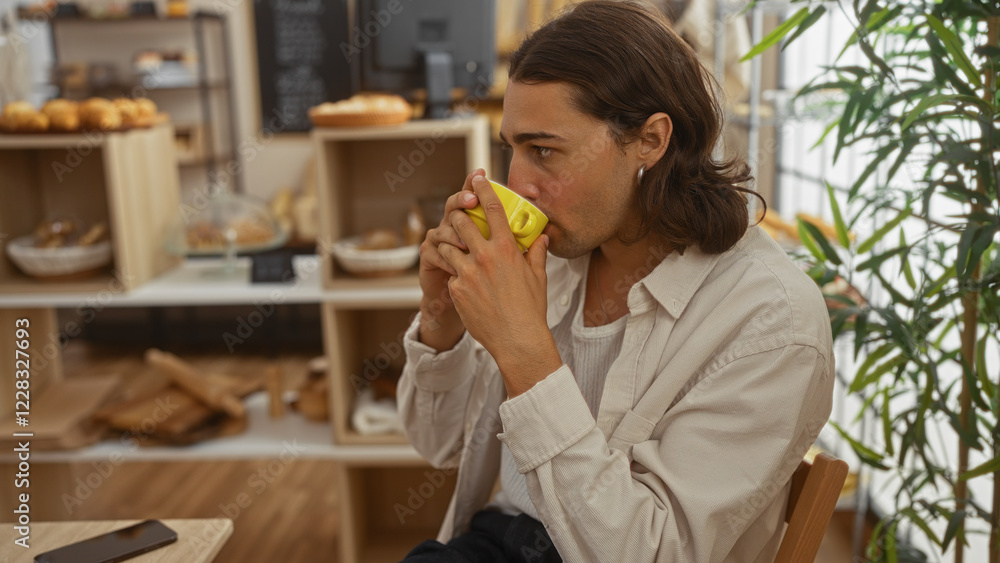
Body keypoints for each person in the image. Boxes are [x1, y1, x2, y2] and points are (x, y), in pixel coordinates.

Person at [397, 1, 834, 561]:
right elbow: (440, 447)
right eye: (513, 149)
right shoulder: (554, 253)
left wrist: (525, 352)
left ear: (650, 140)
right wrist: (442, 321)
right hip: (496, 541)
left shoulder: (770, 321)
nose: (518, 185)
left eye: (545, 151)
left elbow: (651, 552)